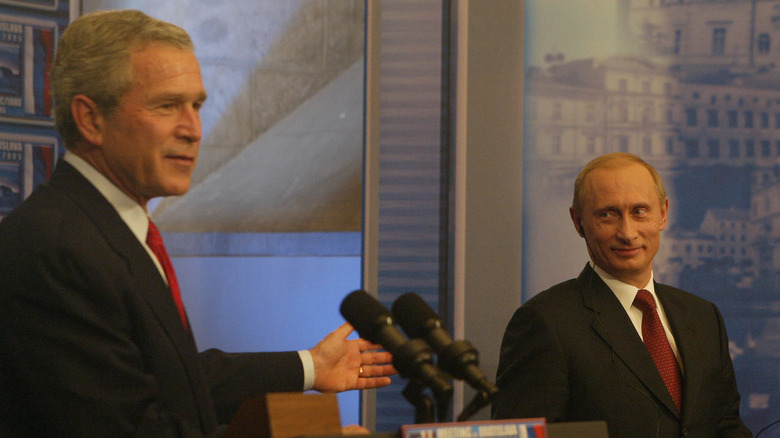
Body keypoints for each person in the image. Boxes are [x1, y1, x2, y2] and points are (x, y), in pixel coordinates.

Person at [0, 9, 393, 437]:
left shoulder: (108, 228)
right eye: (167, 106)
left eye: (197, 105)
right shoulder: (57, 250)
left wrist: (310, 367)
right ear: (91, 119)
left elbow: (171, 379)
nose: (193, 129)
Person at [492, 153, 752, 437]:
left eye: (639, 211)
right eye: (608, 214)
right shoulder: (545, 323)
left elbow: (726, 426)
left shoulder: (703, 317)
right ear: (578, 222)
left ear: (663, 213)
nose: (627, 233)